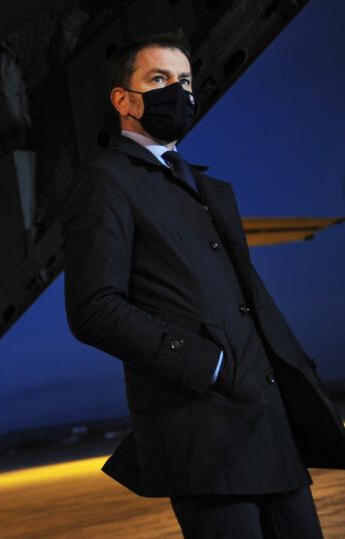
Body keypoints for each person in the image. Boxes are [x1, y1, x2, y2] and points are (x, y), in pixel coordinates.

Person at [59, 30, 345, 538]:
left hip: (268, 425)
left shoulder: (201, 185)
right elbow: (94, 308)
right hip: (204, 435)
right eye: (160, 79)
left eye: (186, 81)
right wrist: (207, 364)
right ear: (123, 100)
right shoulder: (106, 180)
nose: (179, 92)